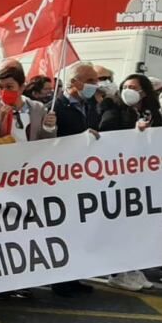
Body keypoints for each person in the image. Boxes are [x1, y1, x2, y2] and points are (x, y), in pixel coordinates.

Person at [98, 74, 161, 291]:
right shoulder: (113, 106)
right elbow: (106, 132)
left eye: (133, 87)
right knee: (120, 225)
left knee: (137, 226)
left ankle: (133, 268)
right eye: (125, 86)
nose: (128, 90)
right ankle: (118, 272)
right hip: (118, 176)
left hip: (142, 176)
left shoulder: (151, 111)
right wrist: (134, 132)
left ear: (144, 91)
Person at [50, 61, 101, 297]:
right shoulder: (56, 107)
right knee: (63, 230)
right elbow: (52, 141)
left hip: (83, 177)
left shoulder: (90, 105)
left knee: (80, 228)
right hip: (61, 178)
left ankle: (74, 276)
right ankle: (59, 281)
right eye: (90, 80)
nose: (95, 85)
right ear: (74, 82)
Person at [0, 66, 57, 144]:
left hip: (32, 155)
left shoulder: (38, 108)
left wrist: (49, 127)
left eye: (9, 87)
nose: (4, 91)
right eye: (0, 87)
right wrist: (0, 122)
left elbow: (47, 141)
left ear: (22, 88)